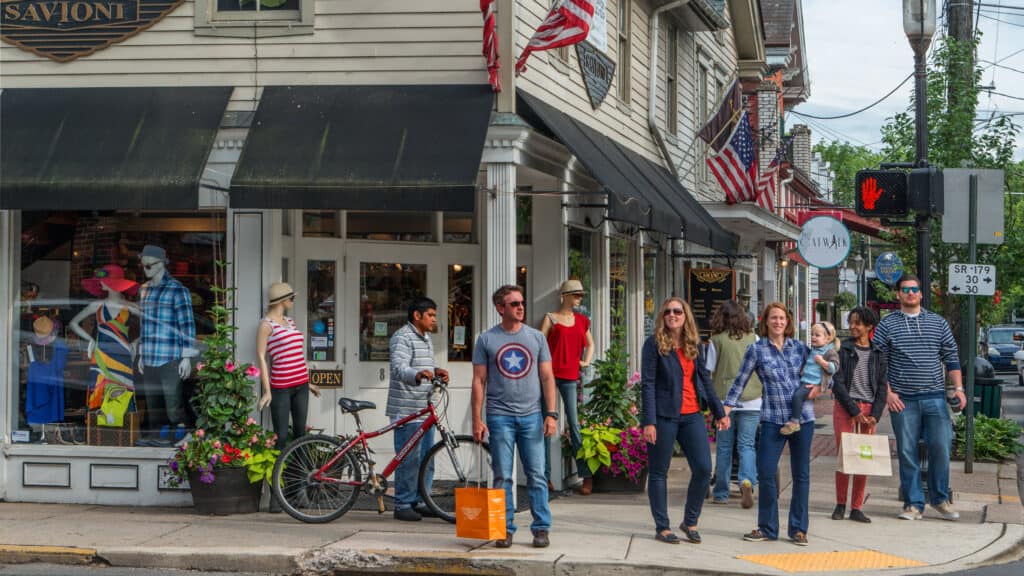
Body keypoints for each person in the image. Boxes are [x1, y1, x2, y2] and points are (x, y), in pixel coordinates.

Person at [472, 285, 558, 549]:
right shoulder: (486, 339)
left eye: (522, 302)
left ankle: (541, 528)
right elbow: (478, 380)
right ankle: (503, 529)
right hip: (500, 417)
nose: (520, 307)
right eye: (514, 304)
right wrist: (477, 418)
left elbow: (547, 377)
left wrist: (551, 414)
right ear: (500, 308)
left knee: (537, 474)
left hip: (532, 415)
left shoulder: (536, 338)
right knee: (502, 477)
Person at [725, 302, 818, 546]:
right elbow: (740, 381)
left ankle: (798, 529)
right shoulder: (756, 350)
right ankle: (767, 527)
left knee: (801, 475)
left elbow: (823, 371)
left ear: (788, 323)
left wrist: (820, 387)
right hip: (772, 419)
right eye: (773, 318)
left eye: (782, 318)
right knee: (765, 472)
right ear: (765, 322)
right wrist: (726, 408)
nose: (778, 322)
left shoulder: (800, 348)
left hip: (802, 420)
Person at [873, 274, 964, 521]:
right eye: (905, 290)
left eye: (914, 289)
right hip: (903, 400)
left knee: (941, 449)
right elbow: (877, 363)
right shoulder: (887, 325)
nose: (910, 293)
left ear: (921, 294)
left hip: (935, 398)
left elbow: (951, 358)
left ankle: (940, 499)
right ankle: (913, 504)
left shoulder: (938, 323)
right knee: (906, 452)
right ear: (898, 295)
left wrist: (959, 389)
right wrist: (888, 393)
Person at [642, 298, 729, 545]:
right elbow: (647, 384)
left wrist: (719, 412)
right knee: (659, 472)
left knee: (703, 468)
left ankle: (690, 520)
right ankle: (662, 527)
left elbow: (706, 380)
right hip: (663, 415)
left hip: (692, 416)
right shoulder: (653, 345)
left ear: (685, 315)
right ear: (663, 316)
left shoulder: (695, 345)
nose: (672, 314)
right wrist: (649, 421)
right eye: (668, 311)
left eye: (677, 311)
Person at [256, 282, 319, 511]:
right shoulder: (266, 325)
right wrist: (267, 390)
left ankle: (300, 490)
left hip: (301, 385)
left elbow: (296, 355)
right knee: (281, 438)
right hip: (281, 387)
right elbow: (262, 358)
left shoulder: (290, 323)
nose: (293, 301)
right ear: (282, 300)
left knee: (301, 436)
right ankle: (276, 495)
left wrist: (308, 381)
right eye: (291, 298)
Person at [386, 297, 449, 522]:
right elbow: (399, 367)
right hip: (406, 408)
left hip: (424, 408)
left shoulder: (426, 339)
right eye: (430, 315)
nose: (434, 319)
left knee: (426, 458)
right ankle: (403, 503)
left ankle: (422, 501)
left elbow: (425, 366)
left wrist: (435, 370)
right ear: (417, 316)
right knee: (408, 459)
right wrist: (417, 374)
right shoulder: (402, 337)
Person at [830, 306, 888, 523]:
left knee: (864, 458)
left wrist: (875, 414)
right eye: (851, 322)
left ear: (869, 326)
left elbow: (882, 386)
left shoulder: (878, 353)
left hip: (868, 410)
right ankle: (840, 504)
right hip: (846, 408)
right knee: (844, 457)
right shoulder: (843, 350)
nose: (852, 327)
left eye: (857, 323)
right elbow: (838, 382)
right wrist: (853, 410)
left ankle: (856, 507)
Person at [539, 279, 595, 495]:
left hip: (570, 377)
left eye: (581, 295)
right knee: (546, 425)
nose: (579, 298)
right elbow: (539, 345)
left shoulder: (582, 321)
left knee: (574, 424)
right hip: (549, 378)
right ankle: (544, 476)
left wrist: (586, 361)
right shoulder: (550, 319)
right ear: (566, 295)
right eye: (576, 295)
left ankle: (585, 476)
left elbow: (590, 344)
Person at [137, 245, 196, 446]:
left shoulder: (178, 290)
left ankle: (185, 435)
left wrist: (186, 356)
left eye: (150, 265)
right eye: (143, 266)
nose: (146, 269)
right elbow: (144, 325)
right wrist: (142, 354)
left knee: (173, 402)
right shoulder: (144, 290)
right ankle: (156, 437)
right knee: (153, 402)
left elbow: (186, 324)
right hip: (150, 354)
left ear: (162, 264)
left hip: (170, 355)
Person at [707, 300, 761, 508]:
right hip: (753, 399)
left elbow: (709, 369)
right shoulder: (753, 338)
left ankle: (721, 492)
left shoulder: (716, 340)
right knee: (747, 445)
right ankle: (747, 481)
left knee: (724, 446)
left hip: (724, 403)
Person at [781, 322, 840, 436]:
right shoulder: (814, 349)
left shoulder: (829, 352)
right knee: (798, 397)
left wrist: (822, 362)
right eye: (812, 334)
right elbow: (810, 363)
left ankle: (795, 422)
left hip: (811, 383)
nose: (813, 337)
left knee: (797, 396)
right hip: (806, 380)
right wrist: (804, 368)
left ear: (828, 339)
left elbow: (834, 368)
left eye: (817, 335)